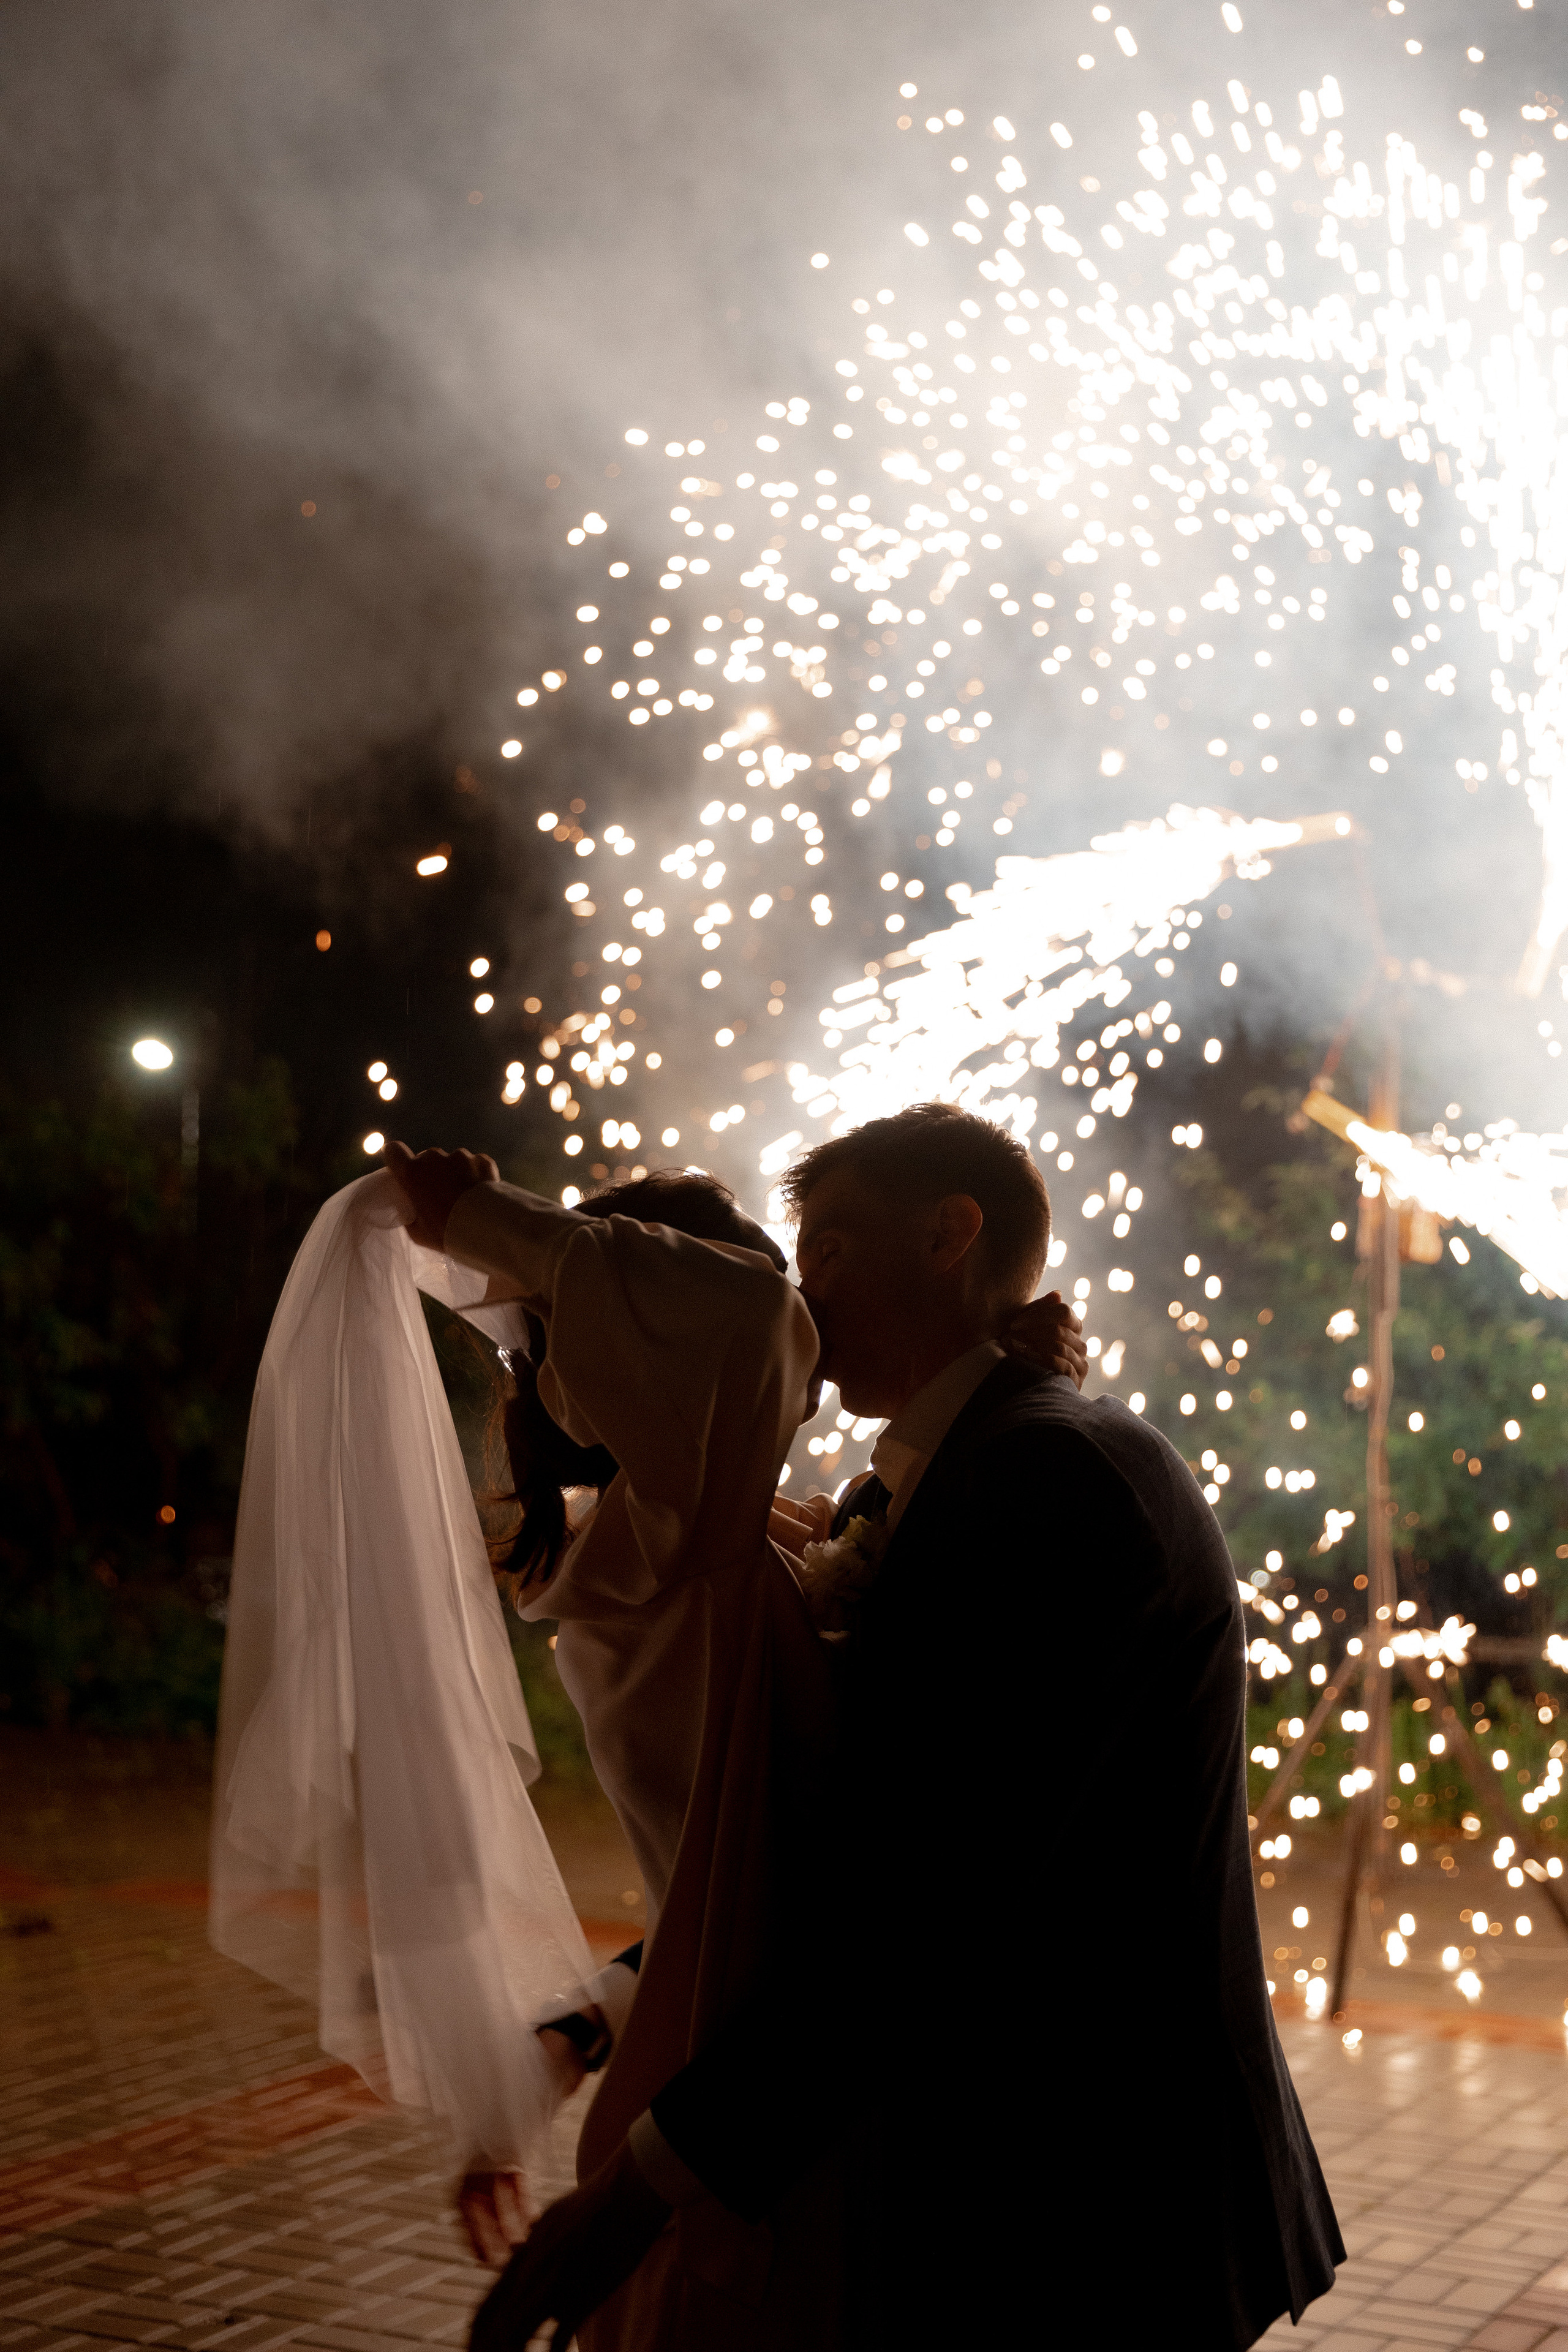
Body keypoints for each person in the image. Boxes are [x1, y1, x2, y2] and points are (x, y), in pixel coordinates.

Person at [468, 1103, 1344, 2352]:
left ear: (949, 1235)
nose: (798, 1294)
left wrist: (645, 2185)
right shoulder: (931, 1475)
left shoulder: (1043, 1478)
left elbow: (921, 1900)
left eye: (823, 1246)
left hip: (1086, 2189)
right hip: (999, 2175)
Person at [383, 1142, 1087, 2350]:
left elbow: (739, 1874)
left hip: (744, 2076)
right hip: (751, 2111)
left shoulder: (705, 1542)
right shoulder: (660, 1555)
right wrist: (490, 1224)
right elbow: (751, 1318)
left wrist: (567, 2038)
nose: (804, 1318)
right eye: (784, 1281)